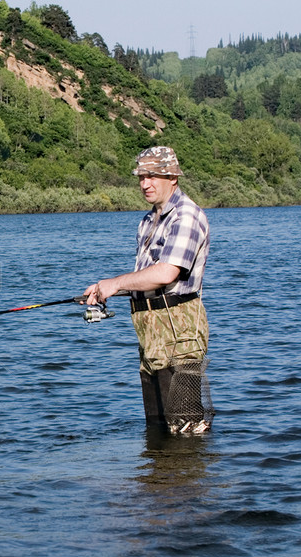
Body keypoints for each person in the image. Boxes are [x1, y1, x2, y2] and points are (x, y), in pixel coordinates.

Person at [83, 146, 212, 434]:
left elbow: (167, 273)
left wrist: (115, 283)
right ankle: (158, 478)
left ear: (172, 177)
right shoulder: (148, 221)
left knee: (186, 429)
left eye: (153, 176)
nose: (145, 184)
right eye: (141, 176)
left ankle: (188, 478)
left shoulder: (186, 216)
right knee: (157, 429)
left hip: (179, 331)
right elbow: (145, 279)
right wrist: (105, 290)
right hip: (150, 333)